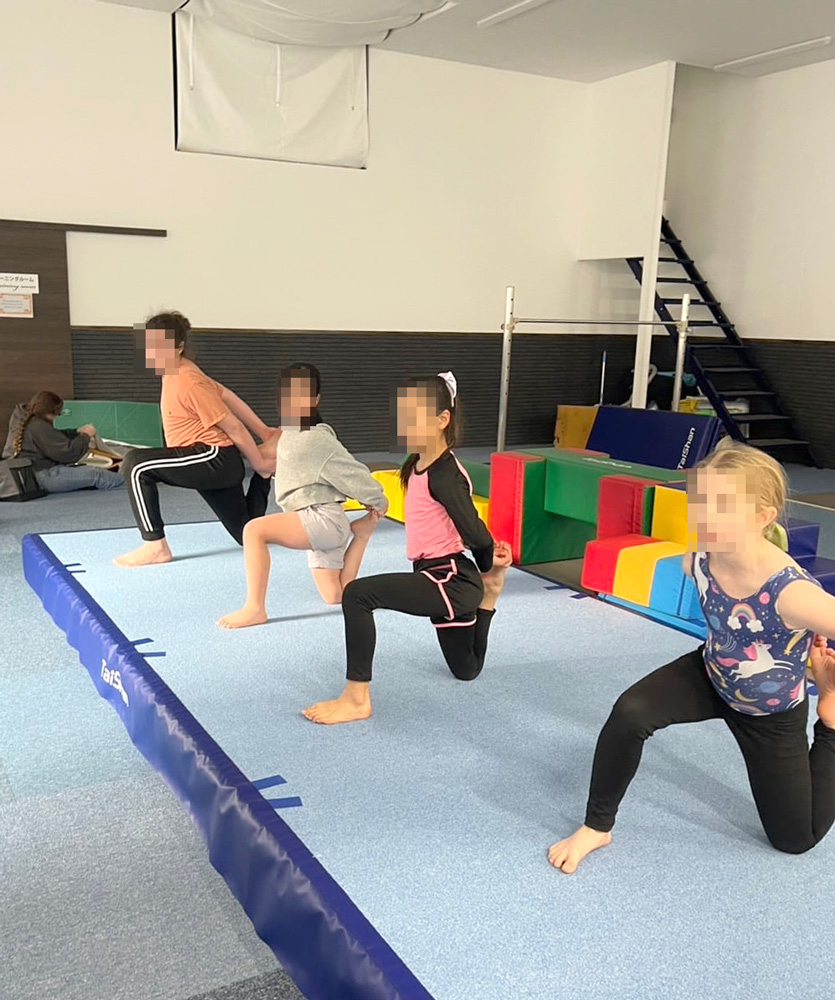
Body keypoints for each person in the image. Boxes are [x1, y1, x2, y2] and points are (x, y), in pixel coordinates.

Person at [548, 441, 835, 874]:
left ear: (762, 517)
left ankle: (831, 723)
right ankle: (596, 826)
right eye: (699, 501)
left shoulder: (792, 593)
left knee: (795, 840)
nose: (703, 517)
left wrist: (819, 667)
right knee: (630, 713)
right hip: (712, 673)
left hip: (770, 712)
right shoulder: (697, 558)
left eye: (721, 507)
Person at [303, 372, 513, 725]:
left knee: (357, 595)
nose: (405, 425)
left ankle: (356, 698)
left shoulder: (445, 475)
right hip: (439, 576)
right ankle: (488, 596)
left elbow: (475, 532)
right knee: (466, 670)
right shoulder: (416, 465)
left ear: (442, 420)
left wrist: (487, 563)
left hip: (448, 579)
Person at [217, 363, 388, 627]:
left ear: (316, 400)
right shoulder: (289, 433)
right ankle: (362, 534)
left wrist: (378, 501)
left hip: (321, 519)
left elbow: (354, 474)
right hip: (319, 521)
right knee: (335, 595)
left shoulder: (317, 439)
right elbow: (263, 452)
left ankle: (255, 608)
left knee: (253, 531)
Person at [115, 312, 277, 567]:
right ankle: (264, 478)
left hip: (212, 458)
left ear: (178, 347)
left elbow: (233, 427)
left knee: (135, 465)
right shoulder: (177, 370)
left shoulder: (188, 381)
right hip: (212, 463)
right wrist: (264, 431)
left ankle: (155, 546)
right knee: (247, 533)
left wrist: (258, 461)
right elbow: (225, 394)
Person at [2, 391, 123, 493]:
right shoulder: (38, 426)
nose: (57, 417)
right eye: (57, 414)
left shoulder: (23, 419)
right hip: (41, 476)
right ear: (50, 412)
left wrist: (75, 432)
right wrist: (86, 436)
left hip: (28, 475)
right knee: (98, 476)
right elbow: (68, 453)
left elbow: (52, 436)